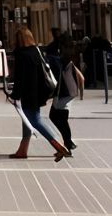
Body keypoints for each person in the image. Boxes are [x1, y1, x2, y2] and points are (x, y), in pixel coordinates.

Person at [7, 26, 70, 161]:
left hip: (27, 93)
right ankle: (22, 150)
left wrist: (14, 95)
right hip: (37, 92)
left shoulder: (21, 54)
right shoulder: (36, 51)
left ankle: (59, 146)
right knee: (27, 120)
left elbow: (20, 77)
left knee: (35, 120)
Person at [47, 35, 85, 153]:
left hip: (63, 93)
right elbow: (82, 79)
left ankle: (68, 143)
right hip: (70, 93)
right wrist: (81, 94)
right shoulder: (70, 61)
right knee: (62, 119)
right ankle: (68, 143)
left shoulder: (61, 61)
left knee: (56, 117)